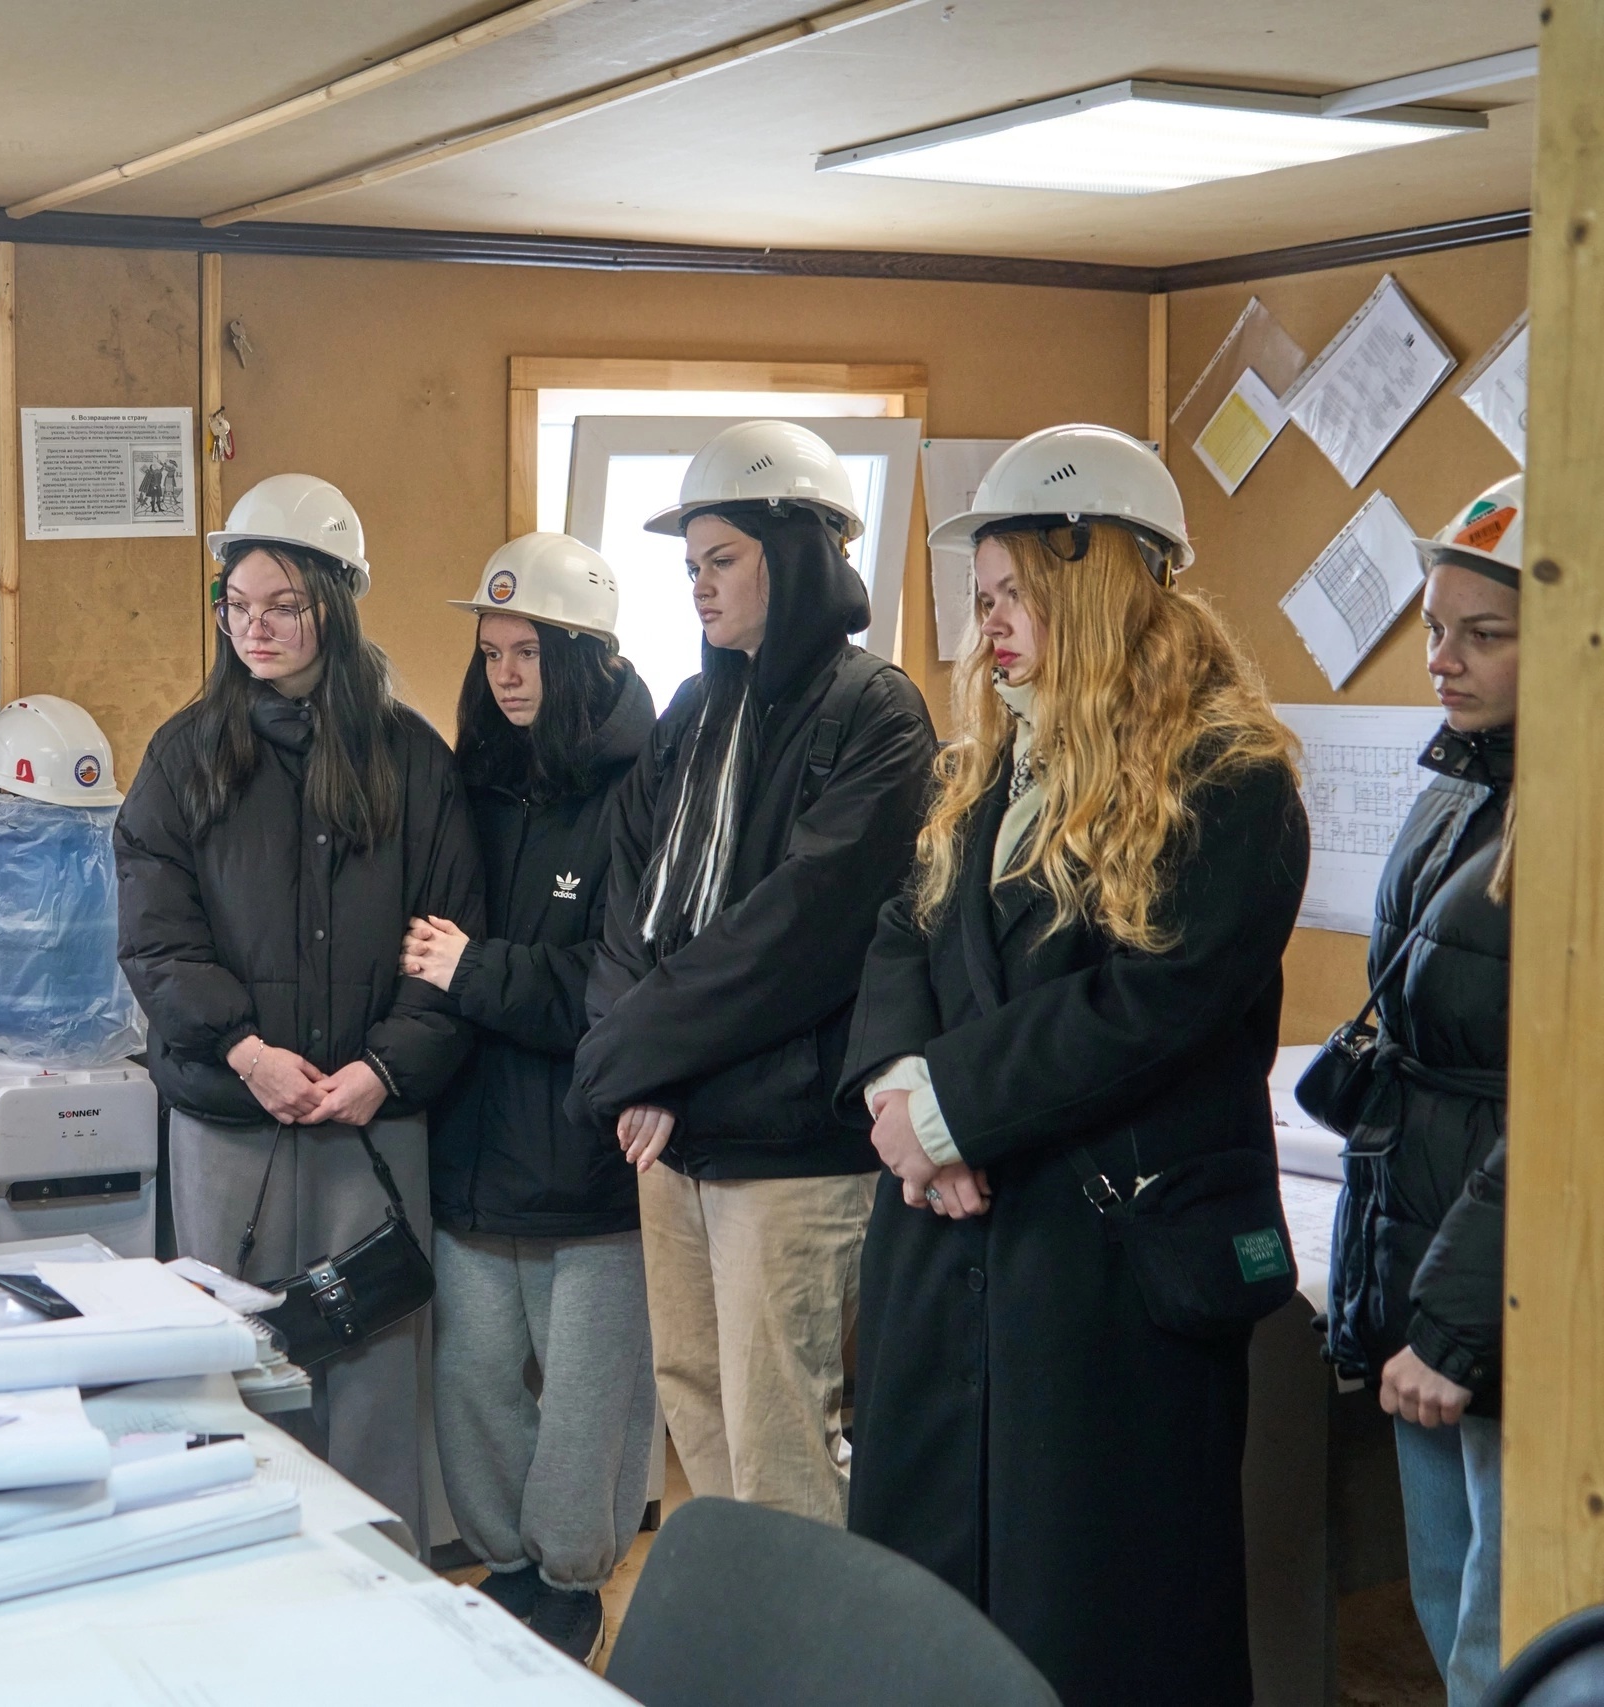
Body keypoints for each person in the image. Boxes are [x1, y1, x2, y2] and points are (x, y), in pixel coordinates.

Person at [840, 424, 1308, 1707]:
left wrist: (950, 1107)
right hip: (951, 1243)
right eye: (981, 597)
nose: (986, 627)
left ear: (1094, 583)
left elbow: (1148, 1000)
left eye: (1012, 596)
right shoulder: (990, 762)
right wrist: (897, 1093)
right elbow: (903, 932)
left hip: (1106, 1270)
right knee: (935, 1611)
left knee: (1100, 1621)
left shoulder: (1230, 779)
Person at [568, 420, 937, 1524]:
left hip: (788, 1152)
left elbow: (796, 936)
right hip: (674, 1136)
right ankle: (741, 1625)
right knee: (697, 1409)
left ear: (797, 555)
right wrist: (636, 1071)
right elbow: (628, 905)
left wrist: (633, 1057)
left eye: (720, 559)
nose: (698, 585)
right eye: (690, 565)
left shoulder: (877, 712)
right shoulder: (694, 711)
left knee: (782, 1445)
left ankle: (813, 1635)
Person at [116, 472, 483, 1544]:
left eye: (283, 605)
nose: (256, 629)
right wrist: (244, 1049)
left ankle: (381, 1595)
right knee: (238, 1375)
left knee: (374, 1379)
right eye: (237, 605)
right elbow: (156, 939)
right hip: (231, 1117)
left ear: (337, 603)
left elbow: (451, 939)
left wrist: (385, 1067)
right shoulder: (184, 756)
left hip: (373, 1122)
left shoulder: (411, 760)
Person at [399, 533, 657, 1661]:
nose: (506, 676)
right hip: (471, 1147)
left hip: (587, 1159)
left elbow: (615, 987)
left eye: (530, 653)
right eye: (492, 652)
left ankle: (570, 1583)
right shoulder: (474, 782)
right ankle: (506, 1568)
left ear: (584, 656)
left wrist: (474, 971)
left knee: (590, 1402)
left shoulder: (641, 789)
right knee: (472, 1381)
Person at [1327, 474, 1522, 1707]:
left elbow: (1571, 1113)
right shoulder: (1459, 781)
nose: (1441, 660)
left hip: (1506, 1300)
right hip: (1424, 1257)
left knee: (1514, 1645)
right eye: (1434, 628)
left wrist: (1454, 1323)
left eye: (1482, 635)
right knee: (1452, 1625)